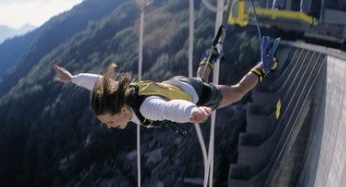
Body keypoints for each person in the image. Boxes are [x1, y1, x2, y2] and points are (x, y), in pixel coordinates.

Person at [53, 37, 278, 131]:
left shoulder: (146, 108)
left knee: (237, 92)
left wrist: (192, 112)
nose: (110, 126)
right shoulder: (121, 94)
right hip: (175, 83)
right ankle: (209, 54)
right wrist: (73, 79)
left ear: (123, 110)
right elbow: (98, 83)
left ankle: (265, 64)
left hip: (192, 94)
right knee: (200, 79)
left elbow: (169, 109)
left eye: (111, 122)